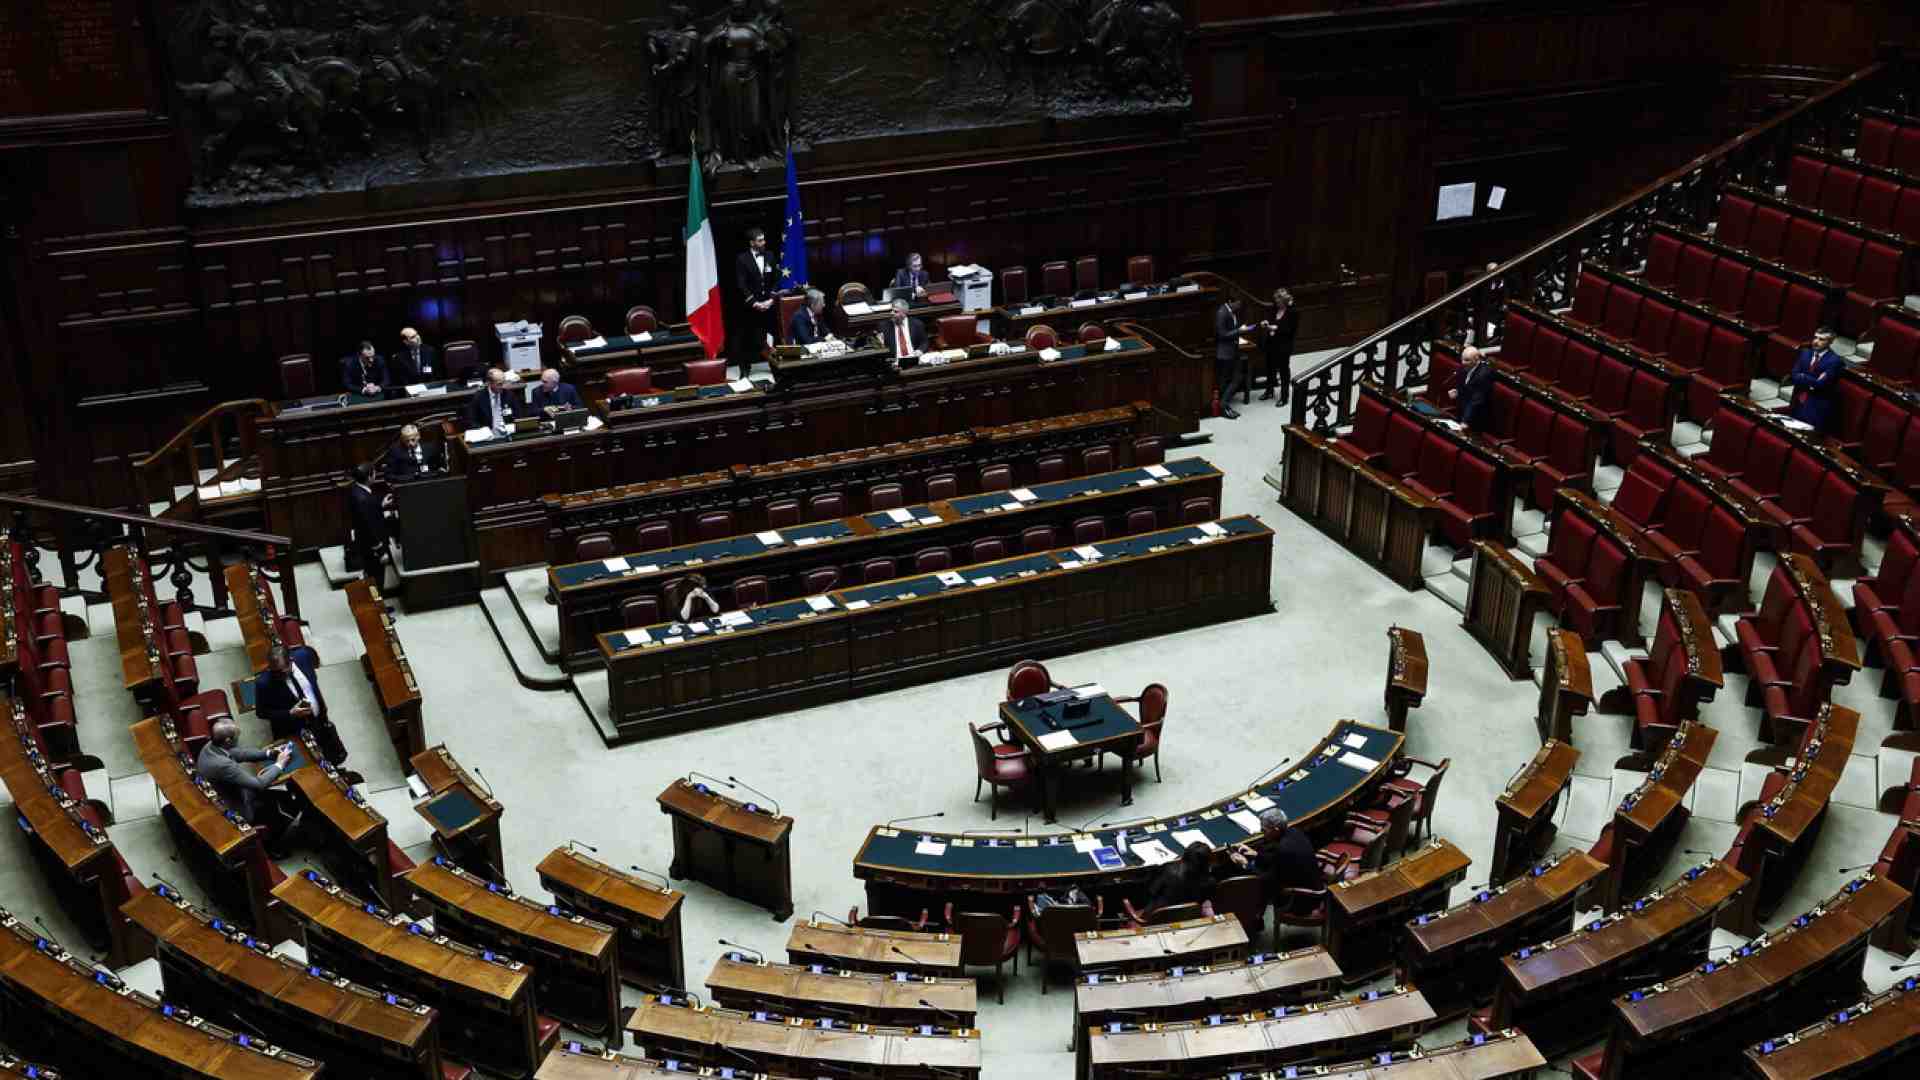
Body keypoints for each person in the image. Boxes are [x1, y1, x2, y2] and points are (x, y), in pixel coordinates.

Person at [195, 719, 300, 856]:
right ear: (228, 740)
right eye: (236, 737)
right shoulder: (222, 765)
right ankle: (274, 849)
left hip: (233, 792)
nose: (239, 739)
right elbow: (258, 784)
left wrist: (269, 753)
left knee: (280, 796)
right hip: (236, 809)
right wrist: (279, 765)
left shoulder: (211, 746)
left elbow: (239, 753)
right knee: (277, 814)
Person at [254, 643, 349, 765]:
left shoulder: (304, 656)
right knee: (312, 766)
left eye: (282, 672)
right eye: (274, 672)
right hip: (295, 732)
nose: (278, 676)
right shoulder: (263, 683)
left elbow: (314, 672)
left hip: (319, 721)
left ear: (291, 660)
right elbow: (261, 713)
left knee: (335, 757)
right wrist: (289, 713)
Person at [1229, 808, 1323, 893]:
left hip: (1301, 896)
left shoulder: (1284, 849)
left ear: (1276, 829)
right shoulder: (1294, 832)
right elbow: (1277, 859)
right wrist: (1256, 855)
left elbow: (1268, 880)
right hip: (1311, 880)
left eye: (1264, 830)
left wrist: (1246, 865)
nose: (1262, 833)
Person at [1125, 841, 1216, 924]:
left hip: (1155, 919)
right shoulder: (1210, 882)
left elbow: (1151, 892)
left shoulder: (1169, 871)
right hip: (1188, 917)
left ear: (1186, 856)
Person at [735, 226, 777, 372]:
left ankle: (775, 367)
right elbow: (741, 284)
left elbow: (776, 279)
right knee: (747, 339)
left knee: (771, 337)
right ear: (752, 243)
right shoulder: (742, 259)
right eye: (760, 240)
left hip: (769, 305)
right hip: (751, 308)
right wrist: (754, 303)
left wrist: (771, 299)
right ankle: (745, 370)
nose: (764, 242)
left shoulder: (770, 255)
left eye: (764, 239)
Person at [1787, 327, 1843, 433]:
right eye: (1815, 337)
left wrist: (1803, 376)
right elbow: (1794, 375)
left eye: (1821, 339)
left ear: (1830, 342)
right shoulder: (1805, 353)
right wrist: (1812, 380)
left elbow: (1820, 384)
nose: (1816, 341)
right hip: (1798, 401)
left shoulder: (1835, 361)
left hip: (1815, 407)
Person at [347, 463, 387, 584]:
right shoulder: (363, 499)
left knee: (371, 576)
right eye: (374, 473)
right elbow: (368, 526)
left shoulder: (356, 489)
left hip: (364, 544)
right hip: (372, 548)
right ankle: (376, 596)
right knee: (376, 580)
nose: (376, 475)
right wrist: (380, 551)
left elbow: (366, 514)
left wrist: (380, 505)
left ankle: (375, 595)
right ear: (369, 477)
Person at [1259, 288, 1300, 405]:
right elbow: (1270, 320)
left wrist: (1274, 328)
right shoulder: (1274, 309)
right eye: (1275, 300)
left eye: (1278, 300)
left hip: (1284, 345)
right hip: (1271, 343)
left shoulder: (1293, 312)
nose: (1276, 302)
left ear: (1284, 301)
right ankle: (1269, 391)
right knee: (1269, 368)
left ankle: (1284, 396)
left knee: (1283, 371)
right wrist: (1266, 323)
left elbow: (1290, 330)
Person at [1214, 298, 1252, 419]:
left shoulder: (1230, 311)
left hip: (1232, 350)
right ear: (1230, 301)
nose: (1239, 306)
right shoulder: (1222, 312)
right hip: (1225, 352)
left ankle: (1224, 405)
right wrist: (1239, 331)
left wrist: (1239, 330)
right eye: (1238, 304)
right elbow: (1222, 334)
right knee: (1232, 379)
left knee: (1233, 378)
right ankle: (1223, 405)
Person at [1450, 346, 1496, 432]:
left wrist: (1465, 421)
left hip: (1477, 420)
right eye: (1462, 359)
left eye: (1467, 360)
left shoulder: (1483, 375)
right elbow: (1465, 387)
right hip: (1463, 413)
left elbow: (1476, 400)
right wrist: (1457, 391)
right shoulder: (1464, 368)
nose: (1463, 362)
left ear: (1476, 359)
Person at [465, 367, 522, 433]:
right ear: (489, 383)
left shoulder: (509, 395)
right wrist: (483, 430)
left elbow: (519, 415)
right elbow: (471, 420)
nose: (502, 386)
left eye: (503, 383)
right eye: (499, 384)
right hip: (488, 433)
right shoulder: (479, 397)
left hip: (508, 431)